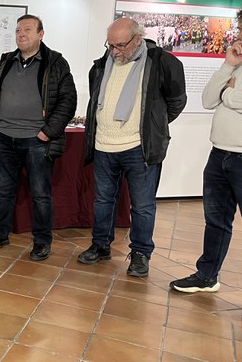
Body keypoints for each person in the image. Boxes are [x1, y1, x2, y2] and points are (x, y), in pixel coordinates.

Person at [77, 17, 186, 277]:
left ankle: (140, 253)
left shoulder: (162, 62)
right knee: (103, 201)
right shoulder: (103, 64)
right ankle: (101, 245)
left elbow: (176, 101)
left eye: (121, 45)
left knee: (142, 206)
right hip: (104, 145)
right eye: (110, 45)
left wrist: (152, 126)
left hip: (139, 149)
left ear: (138, 39)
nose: (115, 51)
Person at [0, 15, 77, 261]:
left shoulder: (56, 62)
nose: (21, 34)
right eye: (18, 30)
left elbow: (68, 101)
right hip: (3, 140)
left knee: (41, 195)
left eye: (28, 30)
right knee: (3, 192)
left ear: (41, 34)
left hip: (37, 142)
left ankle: (42, 241)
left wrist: (47, 132)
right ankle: (0, 234)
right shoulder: (6, 61)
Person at [170, 12, 242, 293]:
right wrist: (227, 67)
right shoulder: (234, 64)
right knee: (215, 221)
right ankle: (206, 276)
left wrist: (228, 95)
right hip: (219, 154)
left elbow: (227, 98)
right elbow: (208, 98)